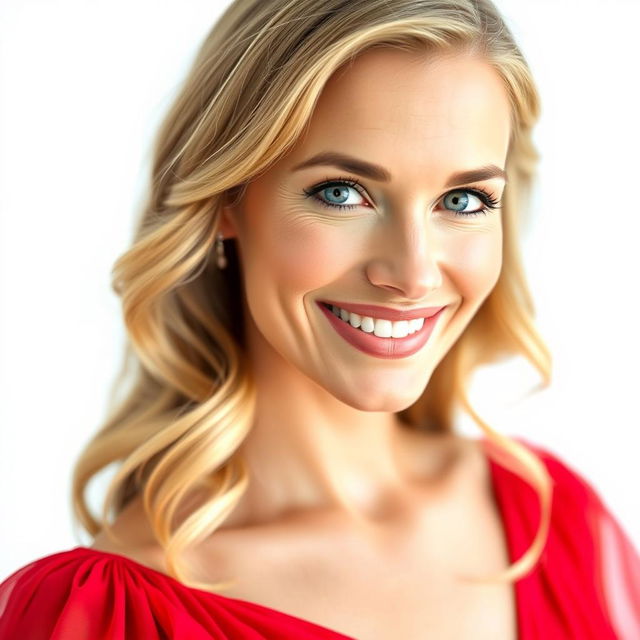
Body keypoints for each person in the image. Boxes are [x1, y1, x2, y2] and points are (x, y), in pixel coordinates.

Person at [1, 0, 639, 638]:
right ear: (226, 200)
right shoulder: (102, 611)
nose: (414, 273)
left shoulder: (558, 525)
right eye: (341, 192)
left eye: (463, 199)